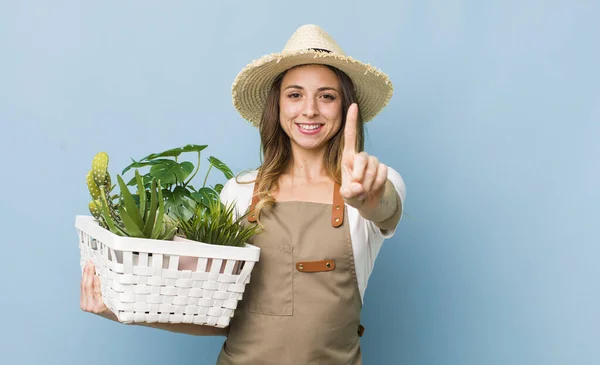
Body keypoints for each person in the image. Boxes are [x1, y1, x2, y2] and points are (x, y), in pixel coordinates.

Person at [80, 24, 406, 365]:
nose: (309, 110)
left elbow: (385, 208)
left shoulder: (374, 182)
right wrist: (118, 308)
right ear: (277, 106)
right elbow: (211, 314)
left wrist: (367, 197)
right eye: (295, 95)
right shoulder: (239, 192)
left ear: (344, 106)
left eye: (327, 96)